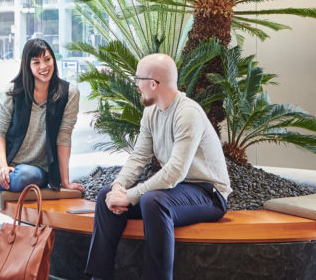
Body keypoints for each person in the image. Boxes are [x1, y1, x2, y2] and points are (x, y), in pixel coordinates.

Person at [86, 53, 230, 280]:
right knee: (106, 196)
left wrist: (131, 195)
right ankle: (99, 277)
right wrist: (118, 187)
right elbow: (139, 157)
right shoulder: (150, 112)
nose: (136, 84)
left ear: (153, 83)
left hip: (208, 193)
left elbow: (175, 172)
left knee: (153, 201)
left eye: (138, 79)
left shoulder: (187, 113)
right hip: (176, 190)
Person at [0, 38, 83, 278]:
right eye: (37, 62)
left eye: (47, 59)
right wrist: (3, 167)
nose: (44, 66)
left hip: (35, 167)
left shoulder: (68, 93)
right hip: (2, 158)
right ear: (27, 65)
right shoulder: (14, 91)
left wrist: (65, 181)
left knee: (23, 176)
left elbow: (64, 137)